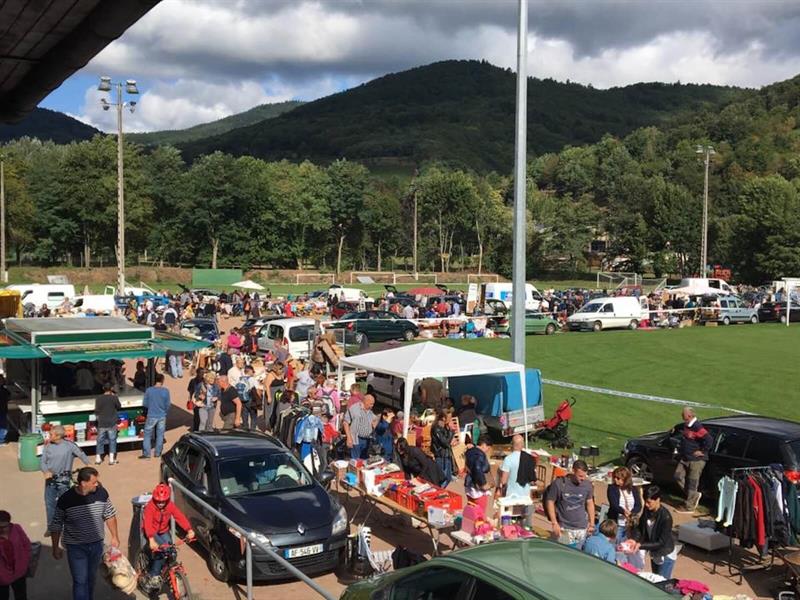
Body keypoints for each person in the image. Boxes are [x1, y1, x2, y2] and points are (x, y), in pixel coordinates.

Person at [50, 467, 120, 600]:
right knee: (80, 581)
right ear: (83, 483)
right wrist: (55, 547)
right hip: (76, 548)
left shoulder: (102, 494)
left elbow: (110, 515)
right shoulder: (66, 499)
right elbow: (57, 524)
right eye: (94, 482)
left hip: (96, 545)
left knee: (91, 578)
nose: (97, 484)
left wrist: (115, 536)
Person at [141, 484, 195, 588]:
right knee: (161, 552)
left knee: (172, 551)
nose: (161, 504)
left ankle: (168, 571)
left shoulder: (170, 505)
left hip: (163, 530)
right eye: (158, 501)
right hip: (152, 532)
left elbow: (179, 516)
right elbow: (147, 523)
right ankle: (154, 576)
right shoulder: (150, 507)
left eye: (163, 501)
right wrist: (151, 539)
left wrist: (189, 529)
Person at [41, 425, 89, 535]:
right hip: (50, 481)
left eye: (51, 434)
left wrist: (90, 468)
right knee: (50, 504)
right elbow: (43, 462)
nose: (49, 436)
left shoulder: (69, 446)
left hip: (64, 480)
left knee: (67, 505)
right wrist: (45, 471)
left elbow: (82, 455)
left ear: (58, 436)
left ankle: (69, 528)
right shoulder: (48, 446)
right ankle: (51, 528)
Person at [545, 459, 595, 550]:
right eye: (580, 476)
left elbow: (590, 503)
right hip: (565, 527)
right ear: (573, 471)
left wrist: (592, 523)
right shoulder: (559, 484)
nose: (582, 479)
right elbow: (550, 502)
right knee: (564, 551)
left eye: (584, 476)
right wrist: (554, 522)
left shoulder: (587, 485)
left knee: (576, 552)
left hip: (581, 528)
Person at [630, 485, 676, 579]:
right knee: (655, 579)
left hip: (665, 554)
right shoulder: (647, 510)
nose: (646, 505)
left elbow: (661, 542)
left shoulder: (666, 517)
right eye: (645, 501)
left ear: (658, 500)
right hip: (655, 552)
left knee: (661, 583)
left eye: (649, 502)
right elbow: (640, 528)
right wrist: (634, 540)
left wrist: (640, 545)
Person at [674, 406, 712, 512]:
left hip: (696, 460)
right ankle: (694, 496)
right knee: (678, 475)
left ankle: (689, 507)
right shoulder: (687, 425)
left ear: (689, 415)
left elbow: (709, 440)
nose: (681, 415)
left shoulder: (697, 427)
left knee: (692, 482)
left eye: (683, 414)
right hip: (685, 457)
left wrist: (702, 451)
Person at [0, 510, 31, 600]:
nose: (1, 529)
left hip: (19, 571)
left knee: (21, 596)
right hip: (1, 576)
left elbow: (26, 544)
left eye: (4, 526)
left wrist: (25, 561)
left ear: (9, 523)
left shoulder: (16, 529)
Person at [607, 466, 642, 547]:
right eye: (614, 477)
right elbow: (614, 505)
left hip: (630, 524)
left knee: (627, 546)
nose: (615, 479)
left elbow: (638, 505)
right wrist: (623, 511)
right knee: (615, 546)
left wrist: (632, 513)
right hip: (617, 524)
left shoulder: (633, 489)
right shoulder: (612, 489)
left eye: (618, 478)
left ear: (625, 479)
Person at [497, 434, 537, 500]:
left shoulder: (508, 459)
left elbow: (504, 481)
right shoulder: (529, 458)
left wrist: (500, 491)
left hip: (511, 495)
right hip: (526, 495)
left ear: (512, 444)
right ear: (522, 445)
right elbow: (533, 479)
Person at [140, 374, 170, 460]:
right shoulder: (165, 391)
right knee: (160, 434)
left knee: (147, 434)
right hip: (162, 415)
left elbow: (145, 404)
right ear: (162, 380)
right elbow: (167, 405)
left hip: (152, 415)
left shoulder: (149, 390)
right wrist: (164, 411)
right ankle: (157, 453)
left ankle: (147, 454)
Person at [343, 394, 378, 459]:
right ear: (365, 401)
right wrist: (349, 438)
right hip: (356, 439)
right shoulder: (354, 408)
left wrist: (374, 424)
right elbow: (345, 423)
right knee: (356, 461)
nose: (372, 406)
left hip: (367, 440)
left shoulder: (369, 411)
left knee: (364, 460)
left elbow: (374, 419)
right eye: (371, 404)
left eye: (373, 404)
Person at [94, 384, 121, 465]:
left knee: (100, 440)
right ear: (111, 389)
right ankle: (112, 459)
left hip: (102, 422)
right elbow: (119, 406)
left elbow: (96, 411)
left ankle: (98, 458)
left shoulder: (98, 398)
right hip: (112, 422)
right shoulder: (114, 397)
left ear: (103, 388)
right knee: (112, 440)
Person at [465, 437, 493, 516]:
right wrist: (483, 483)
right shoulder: (479, 454)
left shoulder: (469, 451)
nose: (487, 450)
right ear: (484, 445)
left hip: (469, 484)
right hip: (477, 487)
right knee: (480, 512)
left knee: (471, 510)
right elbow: (477, 468)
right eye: (488, 448)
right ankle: (479, 527)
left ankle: (470, 526)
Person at [430, 411, 455, 487]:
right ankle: (438, 491)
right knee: (441, 478)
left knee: (448, 478)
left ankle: (441, 490)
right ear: (443, 418)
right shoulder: (436, 428)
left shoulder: (444, 426)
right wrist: (451, 431)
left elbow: (447, 441)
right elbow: (445, 442)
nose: (451, 419)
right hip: (440, 454)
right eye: (449, 418)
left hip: (446, 454)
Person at [0, 375, 9, 446]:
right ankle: (1, 441)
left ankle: (1, 440)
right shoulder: (4, 390)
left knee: (2, 426)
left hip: (3, 410)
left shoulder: (4, 390)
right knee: (3, 426)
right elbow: (9, 397)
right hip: (2, 410)